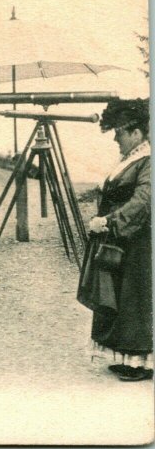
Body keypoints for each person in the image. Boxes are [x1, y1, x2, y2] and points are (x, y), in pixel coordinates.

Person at [78, 97, 152, 382]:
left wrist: (109, 221)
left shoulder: (147, 161)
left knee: (135, 296)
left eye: (119, 133)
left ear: (136, 133)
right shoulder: (130, 159)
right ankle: (125, 357)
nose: (115, 139)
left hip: (139, 238)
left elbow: (144, 201)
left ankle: (139, 362)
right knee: (117, 293)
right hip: (122, 237)